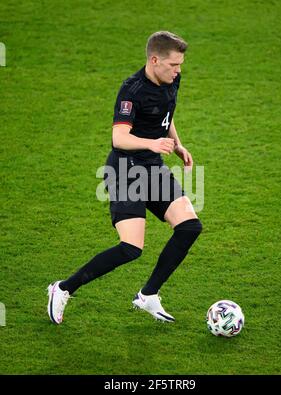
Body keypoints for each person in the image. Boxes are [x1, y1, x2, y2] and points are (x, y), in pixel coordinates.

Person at [47, 31, 202, 324]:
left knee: (190, 227)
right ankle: (63, 289)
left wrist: (177, 144)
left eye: (180, 64)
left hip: (152, 166)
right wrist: (151, 143)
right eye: (173, 65)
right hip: (125, 171)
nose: (179, 70)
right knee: (131, 248)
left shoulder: (172, 79)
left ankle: (148, 295)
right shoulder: (132, 90)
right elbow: (119, 138)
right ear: (154, 60)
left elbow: (166, 115)